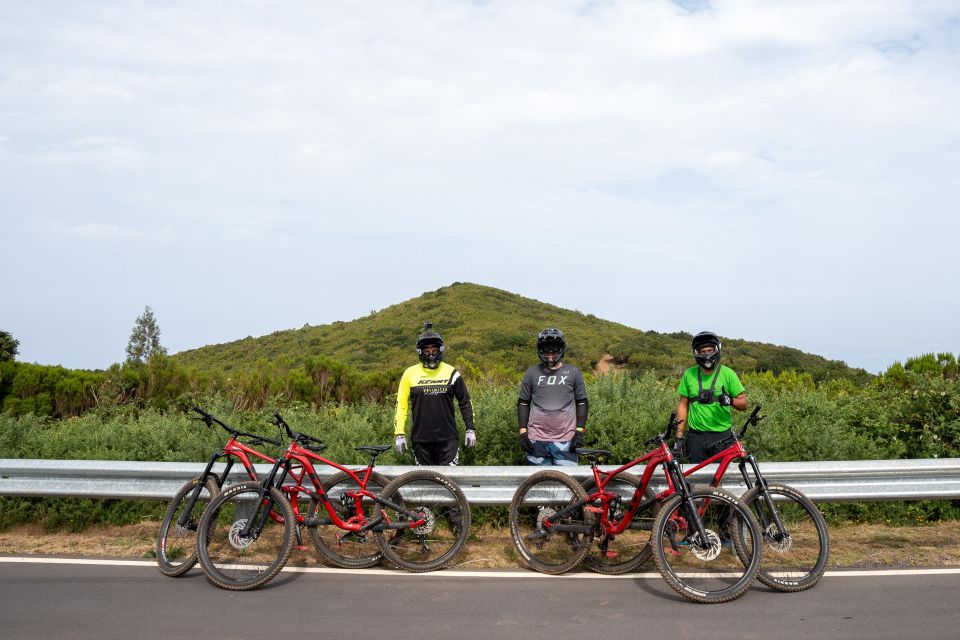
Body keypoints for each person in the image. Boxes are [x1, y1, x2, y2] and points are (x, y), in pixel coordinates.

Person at [394, 322, 476, 466]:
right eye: (426, 350)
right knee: (425, 486)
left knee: (449, 485)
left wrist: (470, 428)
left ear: (441, 350)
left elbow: (465, 402)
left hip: (448, 441)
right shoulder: (409, 374)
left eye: (434, 349)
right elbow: (401, 405)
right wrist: (399, 434)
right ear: (420, 352)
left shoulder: (452, 373)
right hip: (421, 441)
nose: (431, 353)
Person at [672, 331, 748, 464]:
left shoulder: (728, 374)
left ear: (716, 350)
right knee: (697, 479)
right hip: (695, 438)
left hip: (722, 437)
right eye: (703, 351)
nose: (707, 354)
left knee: (721, 479)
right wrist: (679, 437)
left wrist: (730, 400)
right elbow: (683, 405)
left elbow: (744, 403)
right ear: (697, 353)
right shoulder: (689, 374)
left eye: (710, 350)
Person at [517, 328, 588, 465]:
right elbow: (523, 403)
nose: (550, 352)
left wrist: (579, 431)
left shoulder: (573, 372)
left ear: (561, 348)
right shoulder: (531, 372)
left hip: (566, 440)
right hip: (536, 440)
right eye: (546, 348)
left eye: (554, 348)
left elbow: (582, 402)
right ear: (540, 349)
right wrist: (523, 433)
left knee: (568, 484)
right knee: (539, 484)